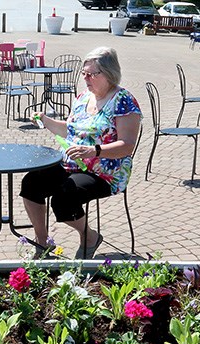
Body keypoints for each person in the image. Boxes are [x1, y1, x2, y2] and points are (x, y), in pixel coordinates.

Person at [20, 46, 142, 259]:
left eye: (92, 74)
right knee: (31, 183)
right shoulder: (84, 97)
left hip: (105, 171)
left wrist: (93, 151)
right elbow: (71, 130)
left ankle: (89, 236)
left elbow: (127, 145)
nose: (86, 78)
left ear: (109, 74)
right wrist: (46, 121)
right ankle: (43, 243)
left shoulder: (123, 100)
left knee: (63, 197)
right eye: (84, 73)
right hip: (72, 163)